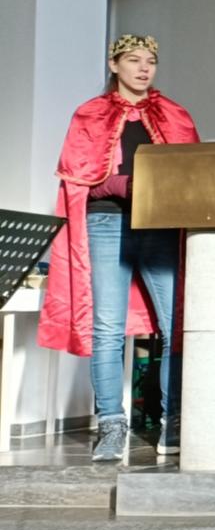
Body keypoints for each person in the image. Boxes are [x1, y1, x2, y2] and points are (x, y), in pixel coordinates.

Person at [41, 35, 200, 463]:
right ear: (114, 65)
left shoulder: (173, 115)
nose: (144, 68)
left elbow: (193, 173)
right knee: (107, 330)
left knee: (177, 325)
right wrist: (120, 184)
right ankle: (111, 423)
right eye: (134, 60)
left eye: (150, 61)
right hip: (108, 222)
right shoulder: (90, 114)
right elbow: (79, 178)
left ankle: (174, 421)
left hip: (161, 224)